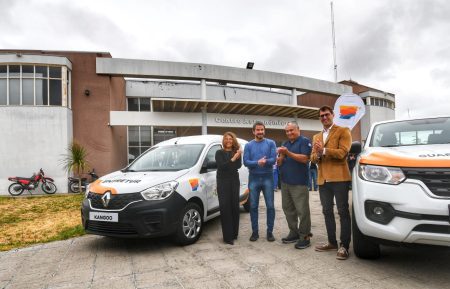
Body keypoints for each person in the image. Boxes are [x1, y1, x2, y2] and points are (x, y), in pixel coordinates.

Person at [311, 105, 352, 260]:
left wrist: (324, 151)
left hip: (340, 178)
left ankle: (344, 246)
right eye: (321, 116)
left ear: (333, 115)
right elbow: (312, 158)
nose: (324, 118)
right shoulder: (316, 137)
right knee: (327, 211)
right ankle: (332, 242)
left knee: (343, 212)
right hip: (323, 180)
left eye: (327, 114)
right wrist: (318, 155)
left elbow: (343, 153)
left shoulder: (343, 131)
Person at [277, 121, 312, 249]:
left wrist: (287, 153)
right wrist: (279, 159)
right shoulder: (285, 144)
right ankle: (294, 232)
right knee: (288, 210)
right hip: (285, 182)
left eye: (292, 130)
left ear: (298, 129)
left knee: (302, 211)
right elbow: (280, 162)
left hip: (299, 183)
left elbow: (305, 159)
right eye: (287, 131)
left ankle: (305, 236)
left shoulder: (304, 141)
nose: (289, 133)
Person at [243, 121, 277, 242]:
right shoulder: (248, 145)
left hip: (268, 177)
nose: (260, 132)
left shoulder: (271, 143)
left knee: (270, 206)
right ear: (253, 131)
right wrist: (257, 162)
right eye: (258, 130)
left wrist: (265, 162)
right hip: (254, 178)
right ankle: (255, 232)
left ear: (264, 130)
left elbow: (273, 159)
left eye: (262, 129)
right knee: (253, 206)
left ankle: (270, 232)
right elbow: (245, 161)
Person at [215, 132, 242, 245]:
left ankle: (234, 233)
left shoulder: (236, 152)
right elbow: (221, 166)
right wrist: (234, 158)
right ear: (224, 141)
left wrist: (235, 158)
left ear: (233, 140)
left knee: (234, 206)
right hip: (222, 181)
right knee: (225, 207)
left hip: (234, 180)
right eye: (226, 138)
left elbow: (238, 166)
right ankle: (227, 237)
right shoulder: (219, 152)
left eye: (230, 139)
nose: (228, 140)